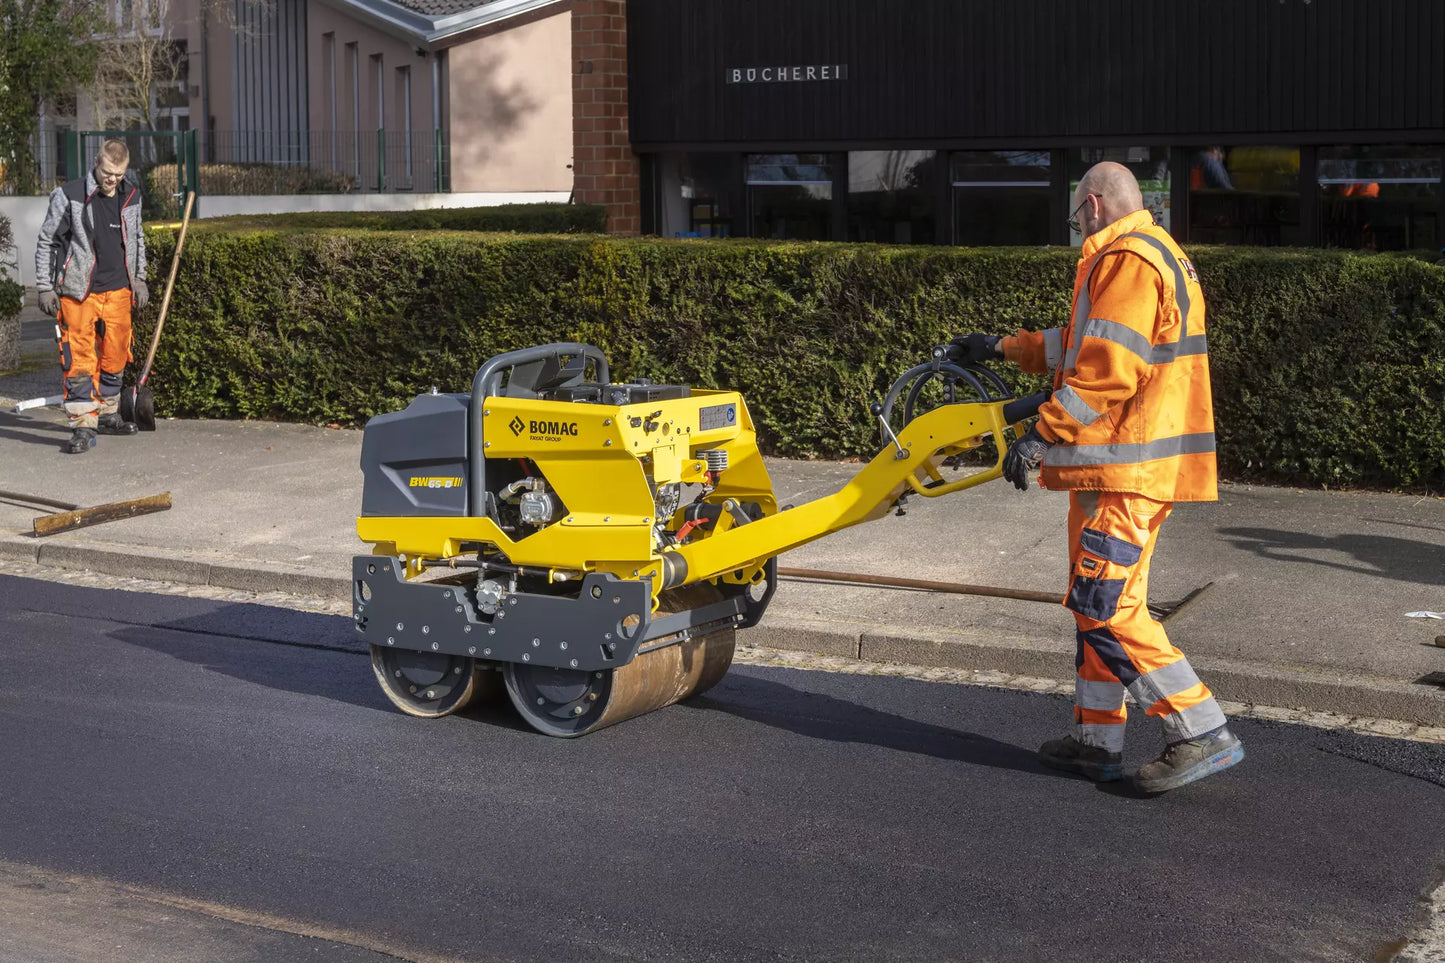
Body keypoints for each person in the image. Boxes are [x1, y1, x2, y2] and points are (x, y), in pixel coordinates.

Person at [951, 162, 1244, 794]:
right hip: (1123, 467)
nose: (1075, 225)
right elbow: (1080, 343)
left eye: (1076, 215)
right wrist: (1000, 347)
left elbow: (1110, 371)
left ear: (1092, 204)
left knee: (1105, 609)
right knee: (1096, 608)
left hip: (1127, 467)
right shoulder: (1143, 255)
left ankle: (1200, 730)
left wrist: (1041, 433)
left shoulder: (1131, 259)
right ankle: (1096, 741)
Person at [35, 138, 149, 454]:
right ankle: (84, 426)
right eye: (108, 172)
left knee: (116, 353)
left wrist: (140, 278)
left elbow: (138, 238)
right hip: (78, 293)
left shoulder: (132, 196)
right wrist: (45, 287)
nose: (112, 179)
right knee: (79, 360)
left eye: (119, 173)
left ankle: (109, 413)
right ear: (97, 163)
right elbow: (48, 242)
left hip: (119, 290)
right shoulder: (69, 196)